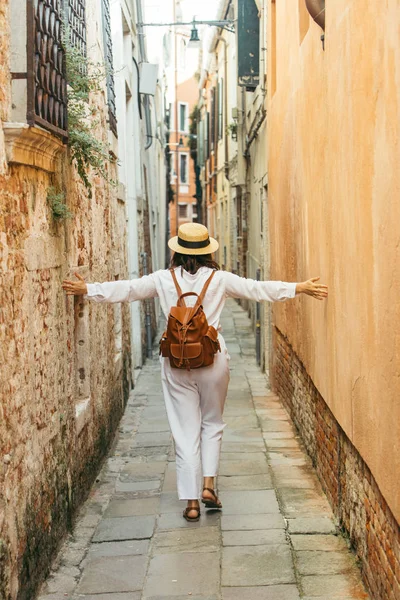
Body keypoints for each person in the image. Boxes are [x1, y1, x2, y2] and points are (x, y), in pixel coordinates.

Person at [62, 223, 328, 522]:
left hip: (175, 362)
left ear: (177, 250)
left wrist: (88, 290)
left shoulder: (163, 279)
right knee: (212, 422)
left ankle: (190, 503)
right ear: (207, 251)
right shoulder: (220, 279)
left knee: (184, 431)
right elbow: (258, 290)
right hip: (213, 359)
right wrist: (299, 288)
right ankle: (209, 486)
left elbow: (128, 290)